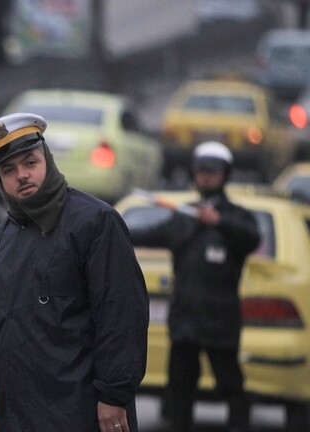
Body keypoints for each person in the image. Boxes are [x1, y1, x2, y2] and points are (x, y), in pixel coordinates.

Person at [0, 112, 149, 432]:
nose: (21, 175)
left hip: (81, 415)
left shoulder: (95, 223)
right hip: (16, 417)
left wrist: (113, 396)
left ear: (47, 159)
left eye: (30, 162)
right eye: (8, 170)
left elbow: (122, 317)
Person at [128, 141, 261, 432]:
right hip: (185, 320)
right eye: (201, 171)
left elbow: (252, 238)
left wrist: (219, 221)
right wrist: (112, 227)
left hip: (220, 320)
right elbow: (149, 234)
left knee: (231, 385)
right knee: (180, 389)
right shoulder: (183, 216)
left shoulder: (237, 216)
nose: (206, 177)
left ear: (225, 174)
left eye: (213, 172)